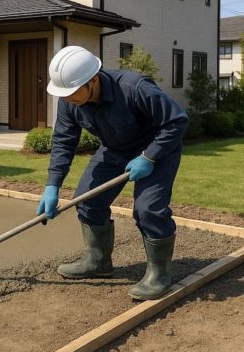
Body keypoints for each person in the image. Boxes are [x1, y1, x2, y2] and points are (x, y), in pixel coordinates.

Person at [36, 46, 188, 300]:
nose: (66, 98)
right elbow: (64, 141)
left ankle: (159, 274)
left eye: (71, 92)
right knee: (87, 200)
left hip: (157, 150)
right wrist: (52, 185)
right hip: (114, 150)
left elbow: (177, 121)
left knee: (148, 209)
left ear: (92, 81)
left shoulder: (134, 87)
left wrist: (149, 156)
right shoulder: (69, 103)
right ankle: (98, 261)